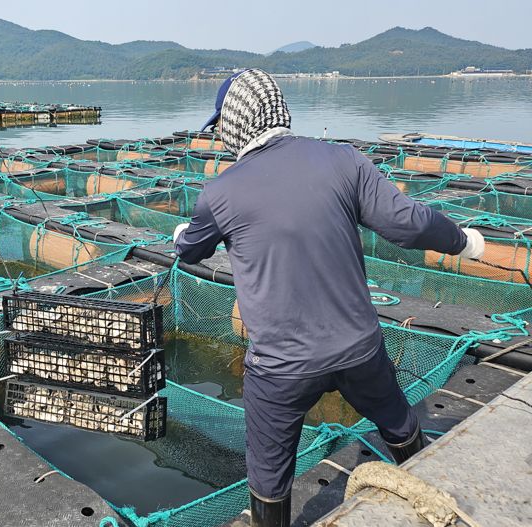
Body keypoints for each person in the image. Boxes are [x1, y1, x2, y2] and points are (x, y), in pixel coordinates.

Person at [173, 69, 484, 527]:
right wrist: (464, 241)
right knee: (397, 421)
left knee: (269, 473)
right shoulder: (344, 161)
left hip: (281, 368)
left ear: (235, 122)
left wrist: (184, 232)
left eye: (222, 125)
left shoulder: (220, 192)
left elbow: (189, 249)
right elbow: (408, 223)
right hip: (358, 348)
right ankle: (423, 486)